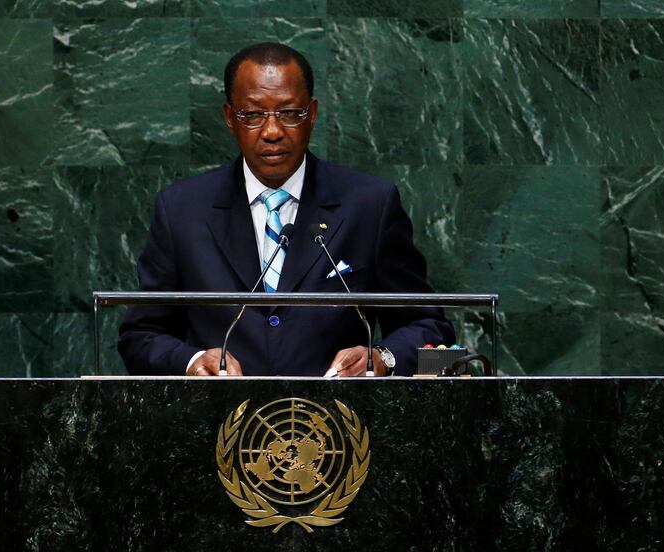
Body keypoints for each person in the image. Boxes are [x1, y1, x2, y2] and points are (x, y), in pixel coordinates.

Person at [118, 42, 455, 377]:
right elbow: (140, 336)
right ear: (228, 118)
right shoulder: (181, 211)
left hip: (339, 424)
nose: (272, 132)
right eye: (252, 115)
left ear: (313, 114)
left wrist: (383, 358)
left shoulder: (370, 205)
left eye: (290, 113)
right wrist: (191, 362)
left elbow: (429, 326)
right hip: (219, 424)